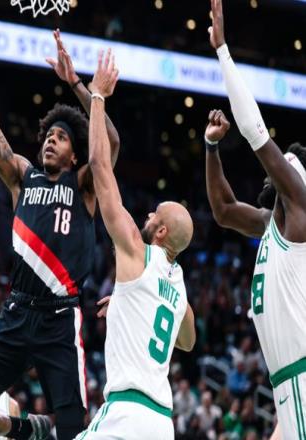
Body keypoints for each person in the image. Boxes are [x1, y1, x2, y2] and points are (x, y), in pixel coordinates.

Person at [0, 3, 120, 439]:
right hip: (17, 311)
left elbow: (109, 144)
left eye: (61, 137)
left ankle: (43, 428)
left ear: (74, 154)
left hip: (60, 318)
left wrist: (80, 86)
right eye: (48, 135)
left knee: (73, 430)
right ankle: (25, 428)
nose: (51, 141)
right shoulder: (21, 175)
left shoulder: (84, 183)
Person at [74, 50, 196, 440]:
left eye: (153, 215)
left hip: (126, 414)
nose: (146, 216)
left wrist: (96, 95)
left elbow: (99, 166)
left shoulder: (135, 249)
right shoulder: (179, 286)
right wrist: (133, 302)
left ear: (160, 233)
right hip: (162, 424)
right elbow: (188, 341)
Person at [206, 1, 306, 439]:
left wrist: (223, 51)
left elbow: (255, 131)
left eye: (287, 164)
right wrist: (211, 148)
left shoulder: (301, 210)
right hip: (285, 382)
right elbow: (224, 210)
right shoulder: (271, 224)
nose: (276, 169)